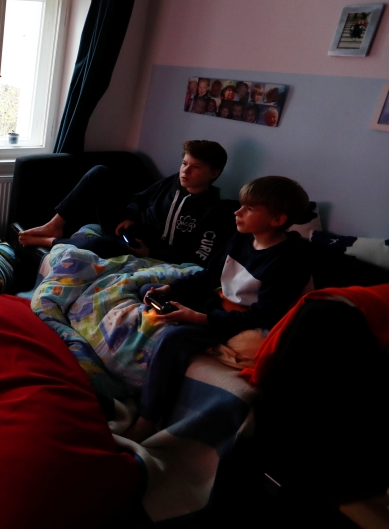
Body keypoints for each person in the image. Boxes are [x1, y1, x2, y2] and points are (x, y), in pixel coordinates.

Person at [124, 176, 311, 443]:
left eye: (248, 209)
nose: (237, 212)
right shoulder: (243, 238)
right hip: (219, 302)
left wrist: (200, 319)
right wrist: (170, 290)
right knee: (149, 292)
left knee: (171, 338)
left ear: (277, 220)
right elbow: (211, 274)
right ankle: (179, 316)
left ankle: (147, 419)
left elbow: (263, 315)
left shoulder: (289, 260)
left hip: (244, 322)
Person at [19, 140, 235, 266]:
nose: (185, 171)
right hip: (130, 230)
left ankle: (50, 241)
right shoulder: (173, 182)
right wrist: (130, 217)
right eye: (184, 163)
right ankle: (55, 224)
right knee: (99, 173)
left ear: (214, 173)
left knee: (99, 245)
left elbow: (198, 258)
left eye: (195, 167)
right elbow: (140, 198)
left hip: (147, 250)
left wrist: (149, 253)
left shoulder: (214, 211)